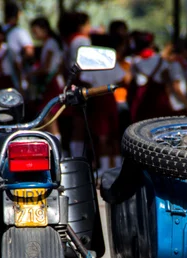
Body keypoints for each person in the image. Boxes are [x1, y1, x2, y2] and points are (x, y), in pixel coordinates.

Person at [81, 34, 127, 174]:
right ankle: (115, 166)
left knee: (102, 135)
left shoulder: (93, 62)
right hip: (109, 97)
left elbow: (85, 80)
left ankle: (105, 167)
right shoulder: (111, 61)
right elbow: (123, 78)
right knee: (112, 134)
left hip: (97, 98)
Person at [59, 11, 92, 157]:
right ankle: (78, 158)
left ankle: (73, 154)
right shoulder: (82, 41)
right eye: (88, 24)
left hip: (73, 81)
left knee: (76, 123)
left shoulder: (69, 41)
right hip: (82, 82)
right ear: (82, 25)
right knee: (80, 124)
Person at [30, 17, 64, 140]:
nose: (34, 34)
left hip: (52, 83)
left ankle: (56, 144)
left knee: (49, 115)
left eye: (35, 31)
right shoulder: (48, 43)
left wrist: (31, 74)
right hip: (50, 83)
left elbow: (47, 67)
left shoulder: (50, 43)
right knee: (46, 117)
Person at [129, 32, 173, 121]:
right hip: (158, 98)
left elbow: (130, 78)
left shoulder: (135, 61)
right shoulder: (160, 60)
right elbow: (167, 80)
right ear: (151, 44)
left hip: (140, 97)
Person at [4, 2, 34, 92]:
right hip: (17, 76)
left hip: (2, 77)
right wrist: (22, 61)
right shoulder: (20, 32)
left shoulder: (1, 32)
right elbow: (29, 51)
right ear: (18, 14)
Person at [167, 39, 187, 116]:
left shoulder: (183, 64)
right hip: (179, 105)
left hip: (182, 104)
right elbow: (177, 88)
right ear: (185, 51)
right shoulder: (176, 65)